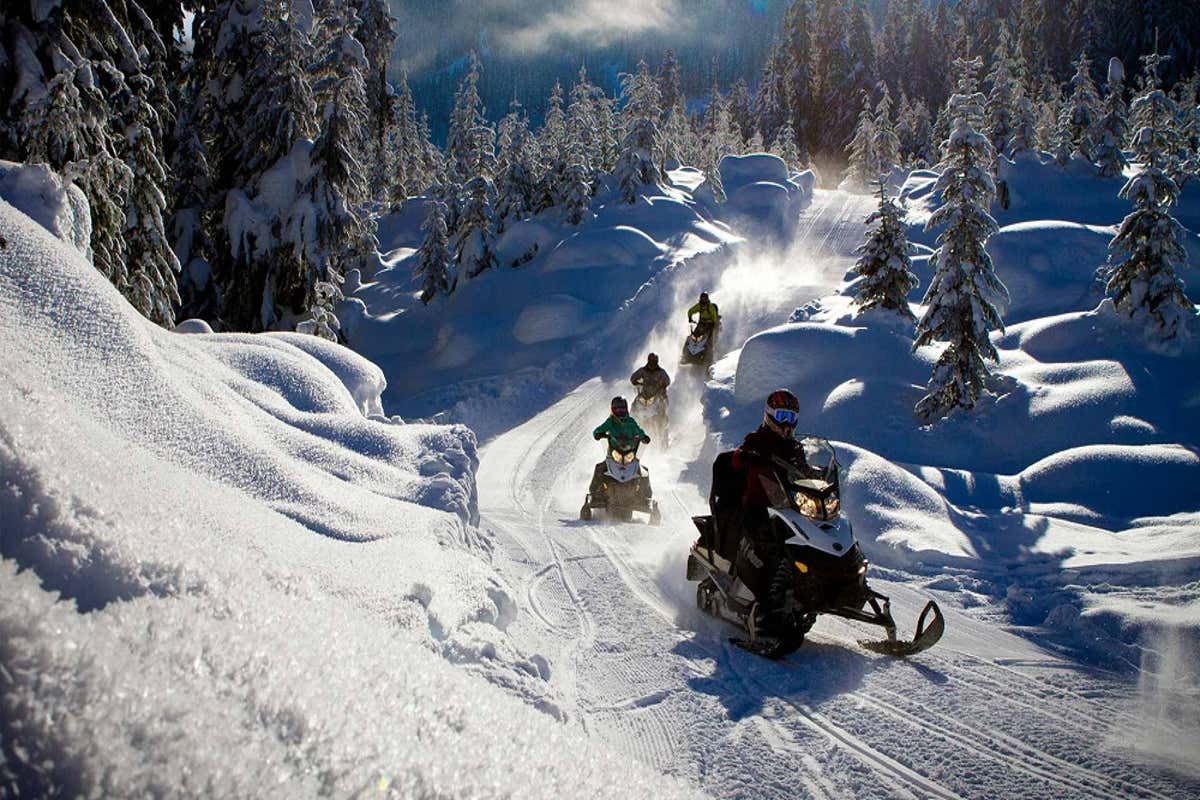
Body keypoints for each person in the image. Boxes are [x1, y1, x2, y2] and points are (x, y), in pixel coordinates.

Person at [727, 389, 806, 629]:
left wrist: (818, 476)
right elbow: (738, 458)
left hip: (789, 508)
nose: (786, 423)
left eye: (791, 417)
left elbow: (805, 470)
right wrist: (747, 455)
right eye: (782, 415)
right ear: (770, 415)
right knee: (768, 547)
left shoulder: (795, 448)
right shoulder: (757, 439)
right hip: (758, 505)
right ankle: (760, 601)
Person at [589, 397, 651, 498]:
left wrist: (644, 437)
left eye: (622, 409)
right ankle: (594, 493)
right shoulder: (610, 422)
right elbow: (598, 430)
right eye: (617, 409)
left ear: (626, 409)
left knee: (643, 471)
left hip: (629, 452)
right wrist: (598, 434)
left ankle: (646, 496)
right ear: (612, 410)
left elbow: (638, 431)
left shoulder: (631, 422)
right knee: (600, 468)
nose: (619, 411)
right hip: (614, 452)